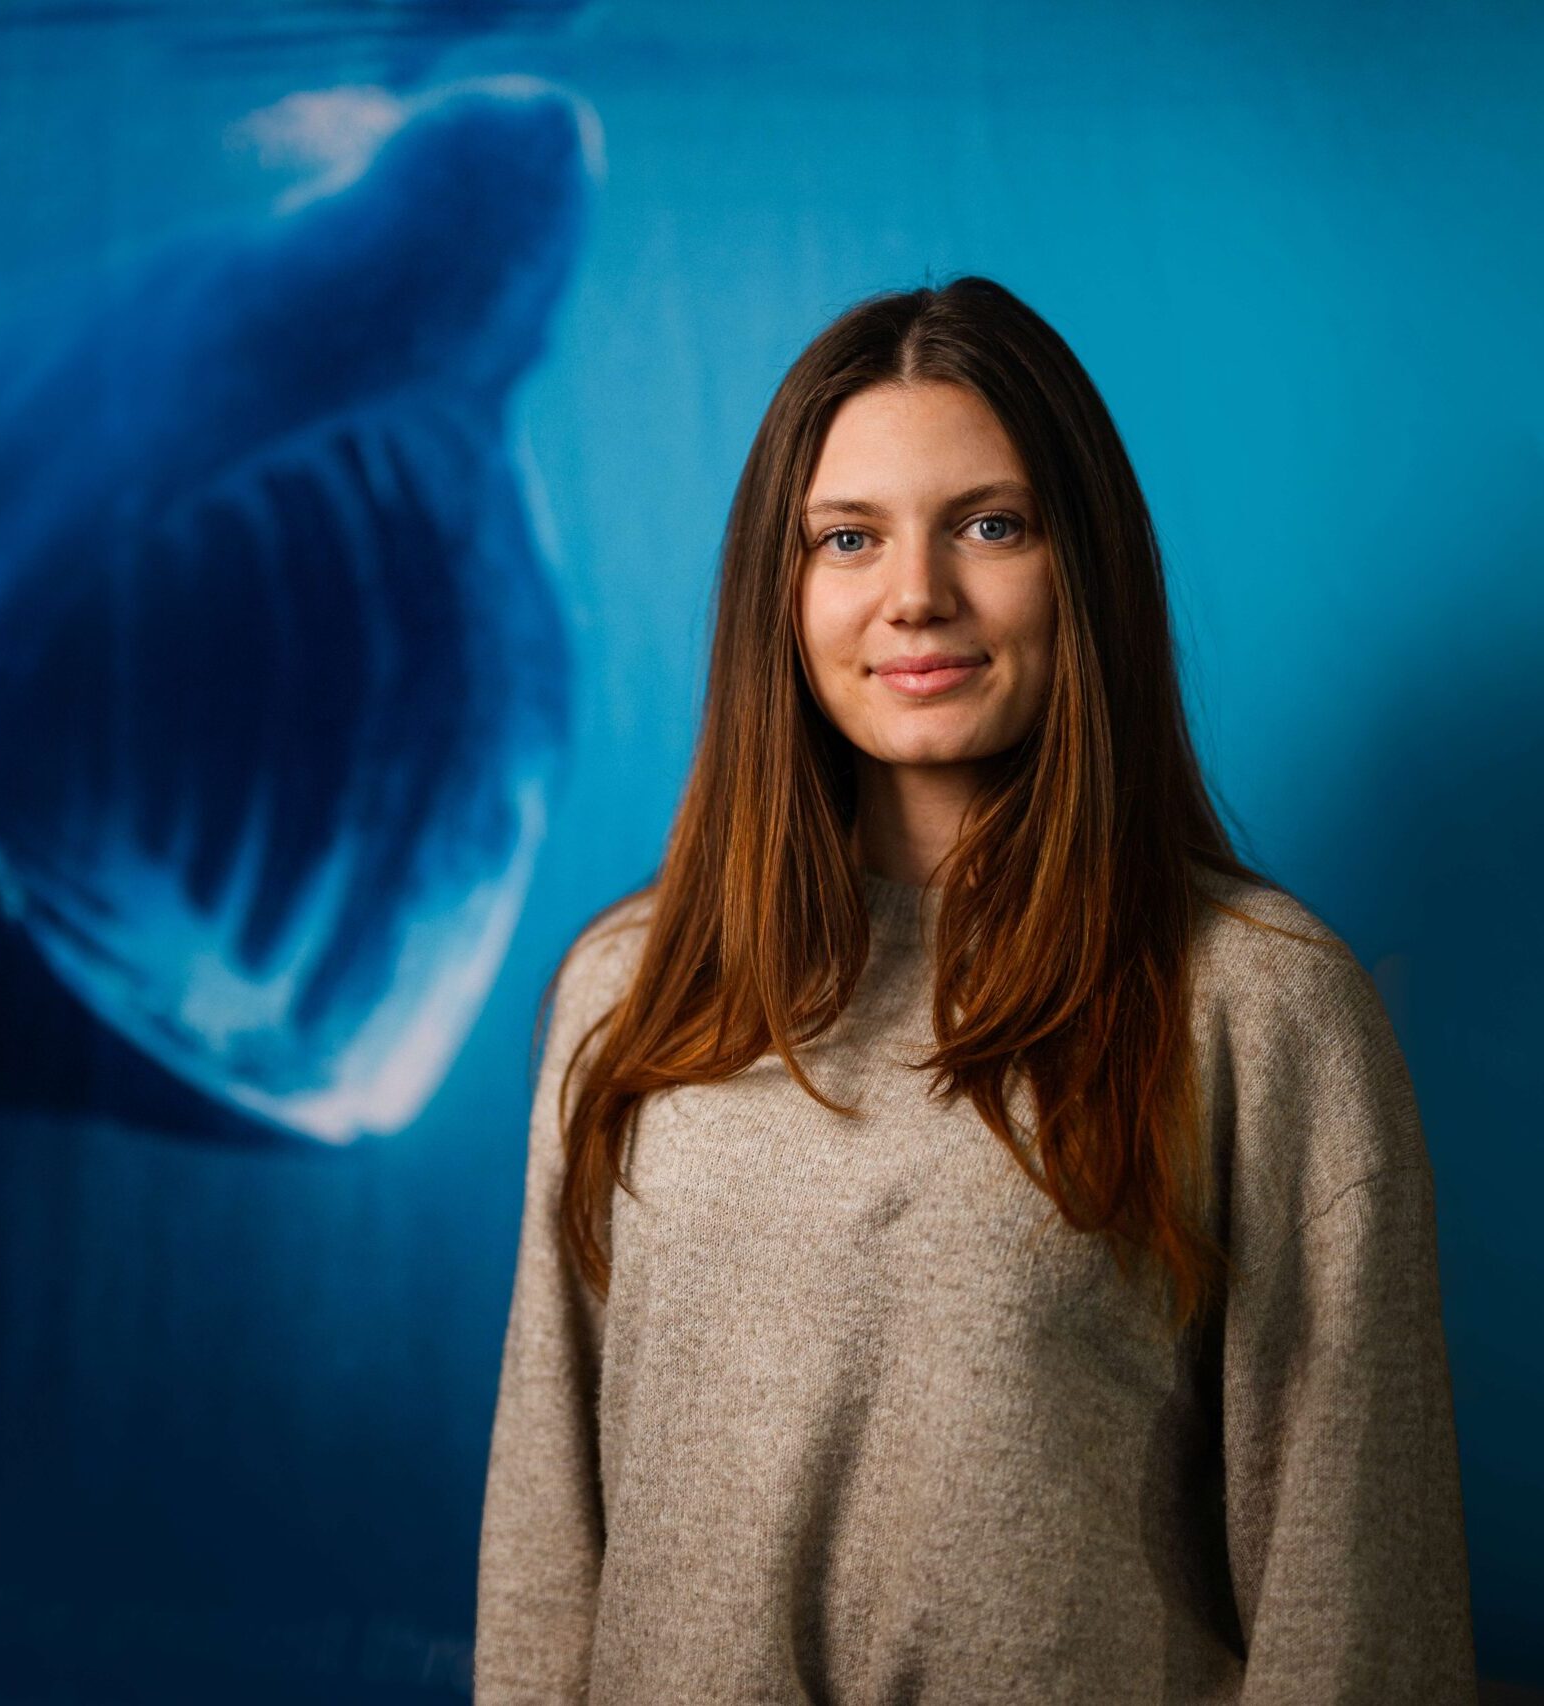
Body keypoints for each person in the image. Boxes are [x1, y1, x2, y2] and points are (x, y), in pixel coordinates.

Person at [473, 278, 1477, 1703]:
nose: (917, 594)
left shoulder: (1260, 1005)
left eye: (992, 524)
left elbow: (1358, 1609)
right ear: (784, 586)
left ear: (1086, 566)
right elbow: (544, 1546)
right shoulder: (628, 992)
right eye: (848, 538)